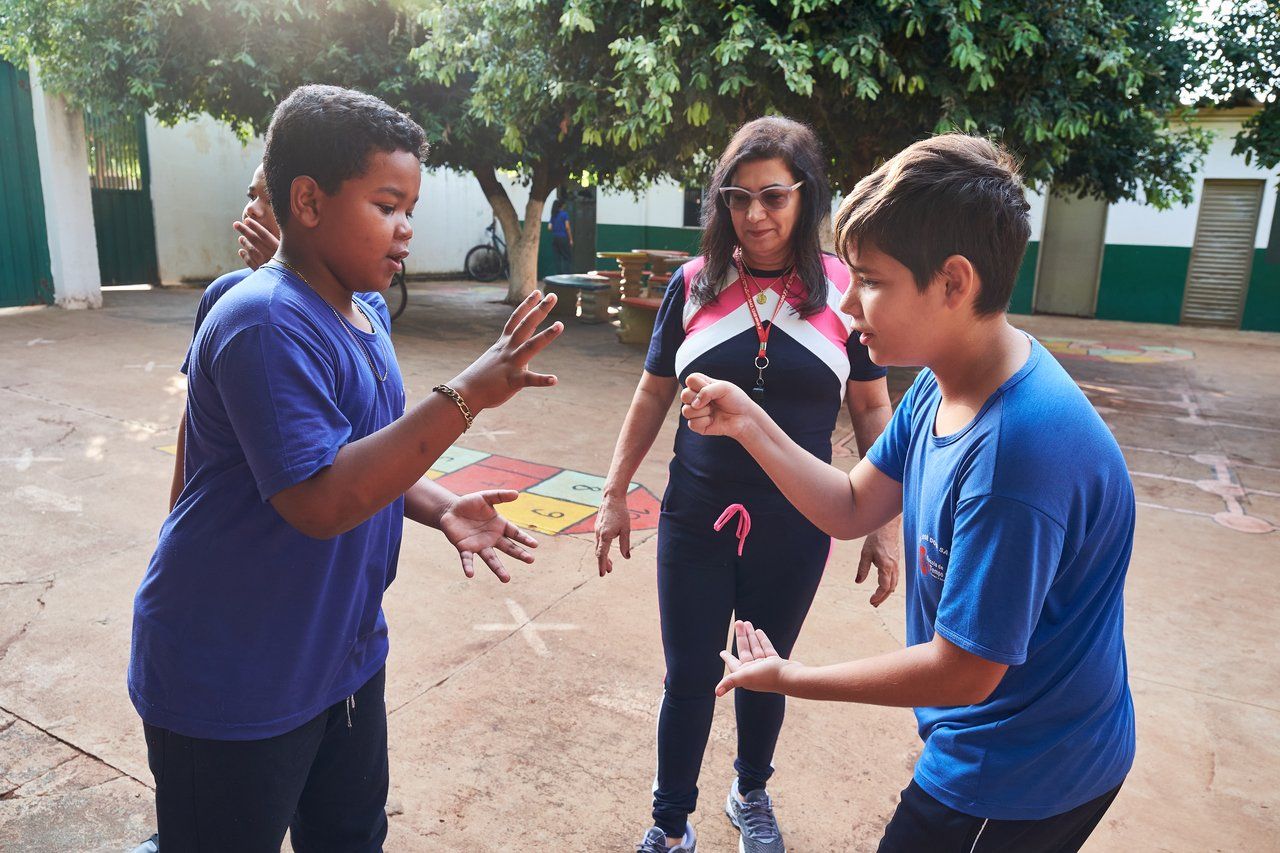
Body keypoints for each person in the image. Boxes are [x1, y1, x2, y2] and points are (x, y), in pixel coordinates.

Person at [130, 84, 564, 853]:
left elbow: (361, 450)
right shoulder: (263, 320)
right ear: (307, 200)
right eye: (387, 205)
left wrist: (437, 505)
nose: (406, 230)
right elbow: (321, 499)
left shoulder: (361, 311)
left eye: (411, 208)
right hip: (232, 669)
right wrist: (466, 396)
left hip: (340, 654)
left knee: (351, 838)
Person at [681, 134, 1136, 852]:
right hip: (998, 736)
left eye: (871, 280)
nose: (851, 305)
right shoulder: (941, 381)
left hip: (1024, 769)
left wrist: (793, 677)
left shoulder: (1016, 455)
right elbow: (852, 504)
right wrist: (747, 420)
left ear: (954, 283)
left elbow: (963, 670)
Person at [595, 116, 899, 853]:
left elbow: (869, 405)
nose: (755, 215)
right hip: (696, 513)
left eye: (773, 196)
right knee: (690, 673)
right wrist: (613, 491)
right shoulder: (694, 284)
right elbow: (650, 393)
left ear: (804, 196)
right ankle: (670, 821)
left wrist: (884, 522)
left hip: (797, 523)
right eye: (738, 197)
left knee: (766, 670)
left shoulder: (839, 289)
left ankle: (750, 790)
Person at [167, 162, 384, 511]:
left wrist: (293, 281)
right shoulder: (229, 297)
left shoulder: (365, 308)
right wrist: (175, 513)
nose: (252, 209)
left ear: (308, 209)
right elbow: (194, 425)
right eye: (252, 196)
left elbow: (370, 438)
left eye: (268, 200)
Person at [548, 197, 574, 275]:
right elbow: (567, 227)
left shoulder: (553, 215)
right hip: (563, 237)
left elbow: (549, 227)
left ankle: (558, 275)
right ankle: (567, 274)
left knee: (557, 258)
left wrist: (556, 229)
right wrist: (571, 239)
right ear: (562, 206)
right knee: (567, 257)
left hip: (555, 238)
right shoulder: (564, 214)